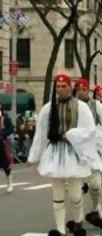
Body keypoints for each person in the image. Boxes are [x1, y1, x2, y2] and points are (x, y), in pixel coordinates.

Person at [28, 73, 98, 236]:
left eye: (63, 86)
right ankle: (60, 229)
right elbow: (41, 134)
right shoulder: (48, 108)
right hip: (55, 152)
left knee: (75, 193)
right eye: (58, 87)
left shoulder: (81, 107)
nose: (60, 89)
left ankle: (78, 221)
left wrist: (72, 134)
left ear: (70, 87)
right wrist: (33, 156)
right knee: (57, 192)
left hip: (73, 152)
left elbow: (89, 131)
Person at [74, 78, 102, 228]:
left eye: (84, 89)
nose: (81, 92)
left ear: (88, 91)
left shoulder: (95, 105)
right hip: (76, 148)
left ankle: (95, 209)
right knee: (75, 188)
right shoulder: (72, 105)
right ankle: (78, 219)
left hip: (93, 148)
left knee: (96, 183)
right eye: (78, 89)